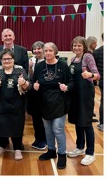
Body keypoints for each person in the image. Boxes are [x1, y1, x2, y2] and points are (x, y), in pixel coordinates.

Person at [33, 42, 73, 170]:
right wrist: (35, 85)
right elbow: (34, 80)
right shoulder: (39, 66)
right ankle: (51, 150)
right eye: (46, 51)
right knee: (48, 129)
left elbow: (71, 81)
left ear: (55, 52)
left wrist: (66, 87)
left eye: (50, 50)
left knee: (57, 128)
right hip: (44, 101)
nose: (48, 53)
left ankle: (62, 154)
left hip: (59, 101)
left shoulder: (62, 65)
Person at [0, 49, 30, 160]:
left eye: (9, 59)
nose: (7, 61)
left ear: (13, 59)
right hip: (0, 104)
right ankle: (2, 145)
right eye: (4, 59)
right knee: (0, 125)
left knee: (17, 126)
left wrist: (24, 83)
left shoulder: (19, 69)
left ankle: (17, 148)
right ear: (1, 60)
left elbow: (28, 86)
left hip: (17, 104)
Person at [67, 36, 100, 166]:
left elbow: (97, 74)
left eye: (79, 45)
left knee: (86, 122)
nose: (76, 48)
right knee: (77, 120)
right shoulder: (73, 59)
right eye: (74, 45)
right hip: (75, 94)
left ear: (84, 46)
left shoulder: (88, 57)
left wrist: (90, 75)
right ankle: (80, 146)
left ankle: (90, 153)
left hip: (85, 94)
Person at [27, 41, 47, 150]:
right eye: (35, 49)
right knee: (35, 119)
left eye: (39, 48)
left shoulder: (47, 61)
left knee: (43, 119)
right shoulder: (33, 60)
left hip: (43, 93)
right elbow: (31, 77)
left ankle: (44, 140)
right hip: (33, 93)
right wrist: (30, 68)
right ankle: (38, 139)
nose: (37, 51)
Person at [93, 34, 103, 131]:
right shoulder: (97, 52)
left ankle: (102, 123)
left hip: (102, 80)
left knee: (103, 101)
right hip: (102, 80)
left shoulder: (96, 52)